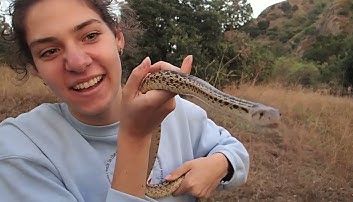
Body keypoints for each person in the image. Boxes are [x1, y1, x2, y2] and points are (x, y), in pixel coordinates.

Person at [0, 0, 250, 201]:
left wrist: (220, 165)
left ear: (118, 37)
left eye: (90, 36)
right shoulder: (19, 149)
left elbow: (234, 150)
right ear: (35, 69)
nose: (77, 63)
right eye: (50, 51)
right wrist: (135, 136)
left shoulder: (175, 110)